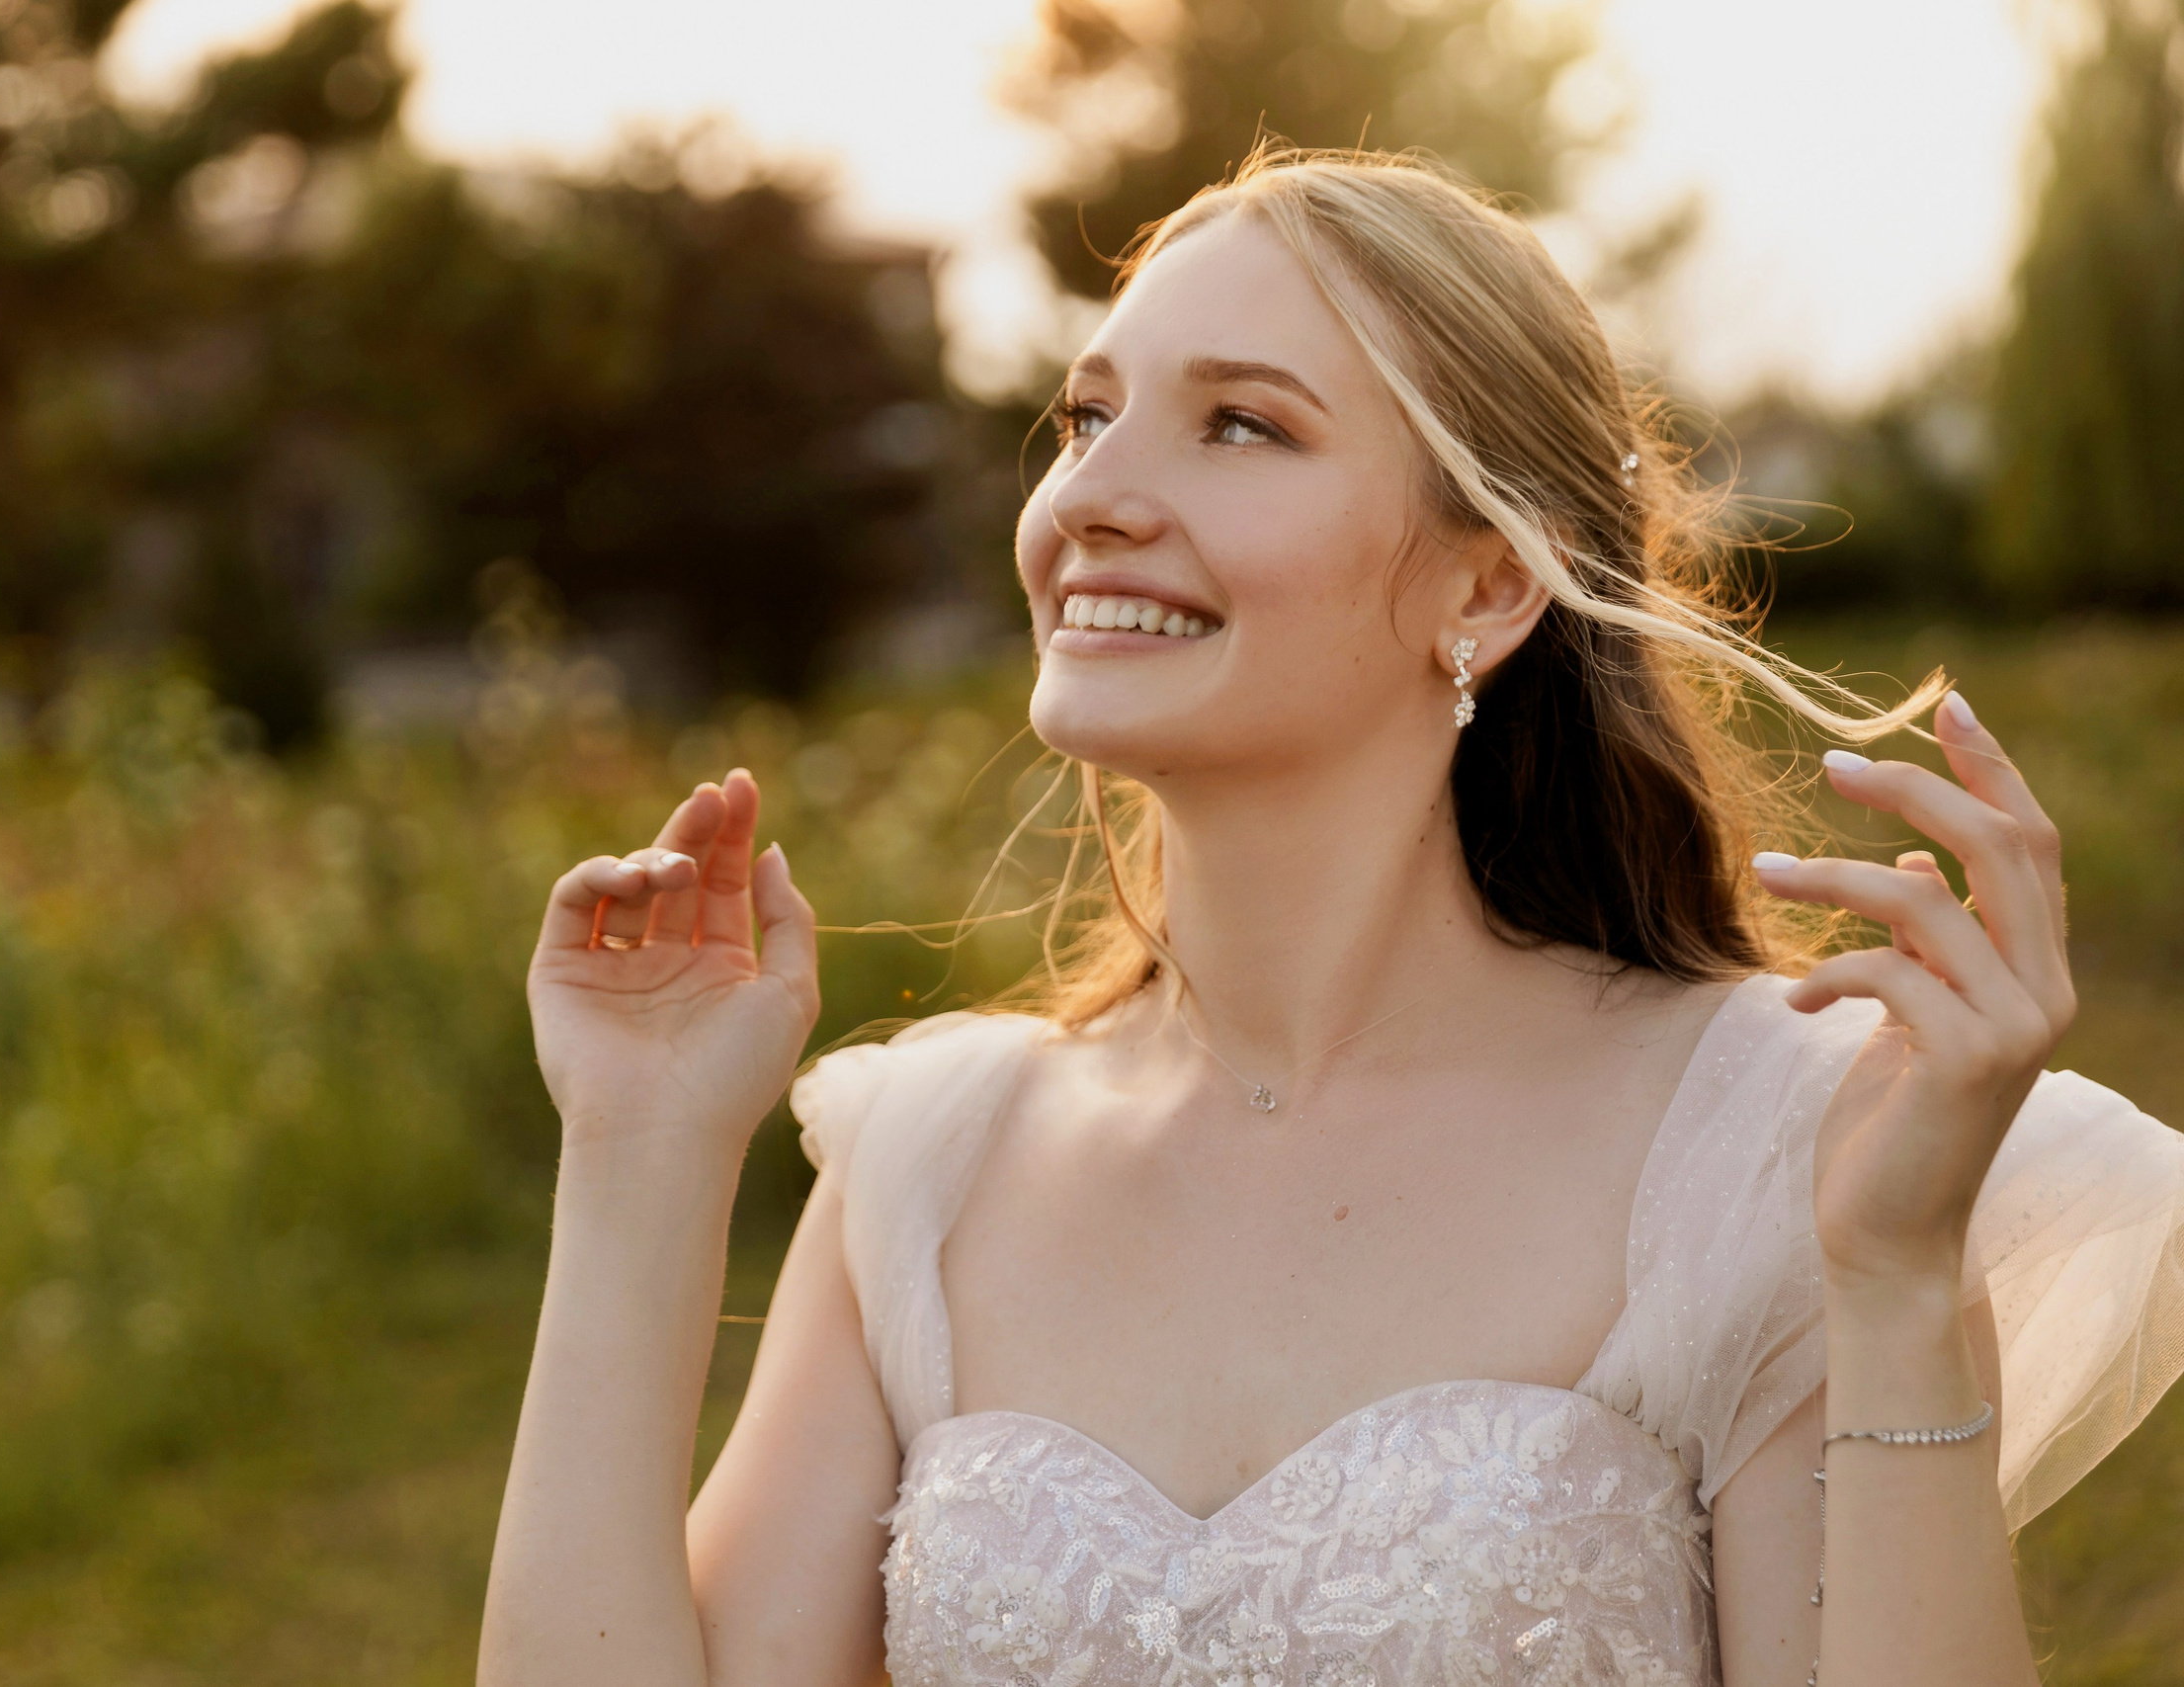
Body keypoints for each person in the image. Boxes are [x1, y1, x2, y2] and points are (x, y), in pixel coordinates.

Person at [475, 148, 2184, 1686]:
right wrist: (636, 1157)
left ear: (1490, 581)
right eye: (1086, 418)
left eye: (1241, 424)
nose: (1091, 498)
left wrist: (1891, 1286)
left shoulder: (1778, 1150)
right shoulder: (925, 1159)